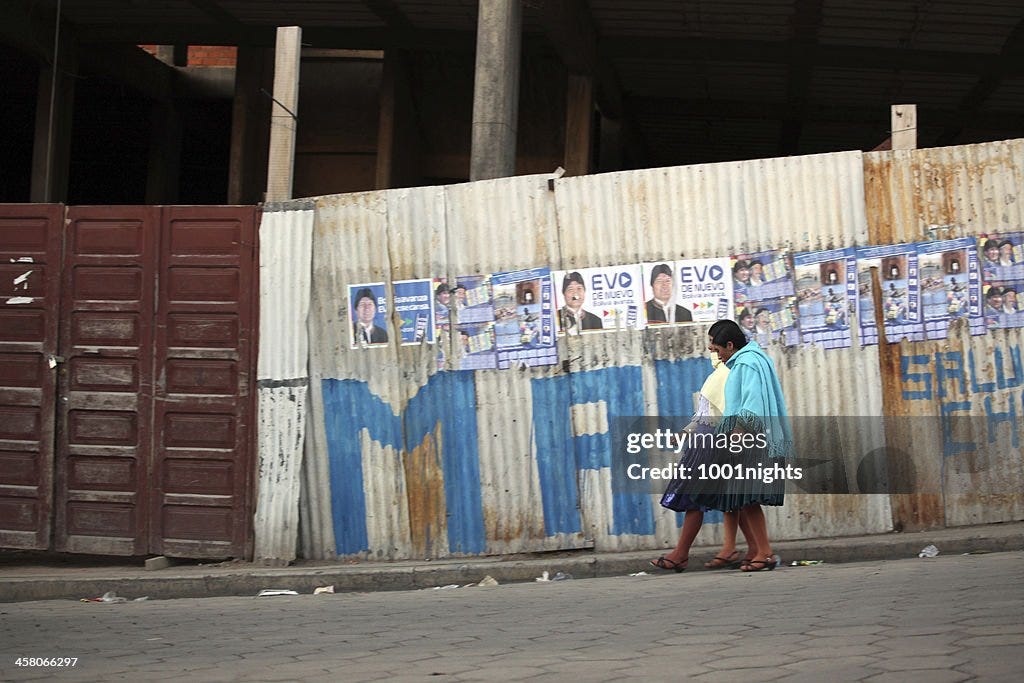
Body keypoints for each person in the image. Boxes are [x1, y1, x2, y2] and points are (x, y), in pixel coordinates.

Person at [693, 319, 792, 572]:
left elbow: (752, 403)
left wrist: (738, 432)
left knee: (749, 499)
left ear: (729, 345)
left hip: (752, 438)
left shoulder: (746, 364)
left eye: (717, 349)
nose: (715, 354)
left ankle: (765, 553)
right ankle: (758, 551)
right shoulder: (753, 360)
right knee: (745, 499)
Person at [650, 349, 749, 573]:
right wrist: (684, 433)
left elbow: (726, 413)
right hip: (707, 442)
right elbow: (704, 415)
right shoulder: (718, 376)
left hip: (712, 444)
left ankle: (681, 554)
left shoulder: (726, 375)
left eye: (714, 345)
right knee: (731, 498)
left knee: (697, 497)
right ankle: (740, 549)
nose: (712, 350)